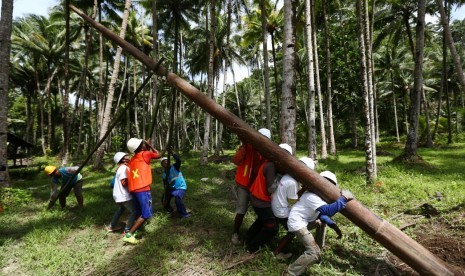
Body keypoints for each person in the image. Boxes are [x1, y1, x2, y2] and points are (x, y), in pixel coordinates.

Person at [286, 171, 354, 276]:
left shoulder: (316, 197)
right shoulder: (312, 197)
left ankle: (318, 246)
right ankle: (290, 273)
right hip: (297, 224)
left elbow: (323, 215)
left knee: (321, 221)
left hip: (303, 221)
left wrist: (334, 226)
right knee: (313, 252)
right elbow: (328, 211)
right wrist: (343, 198)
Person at [244, 142, 289, 253]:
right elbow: (271, 189)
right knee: (272, 228)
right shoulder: (271, 166)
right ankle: (252, 247)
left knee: (261, 221)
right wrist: (280, 175)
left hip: (256, 197)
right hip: (261, 201)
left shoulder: (268, 163)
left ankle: (247, 238)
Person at [271, 155, 315, 260]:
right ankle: (277, 253)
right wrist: (304, 191)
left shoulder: (288, 176)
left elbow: (292, 197)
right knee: (292, 230)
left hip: (275, 206)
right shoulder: (293, 182)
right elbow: (292, 202)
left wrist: (302, 190)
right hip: (281, 212)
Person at [231, 128, 270, 245]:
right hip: (244, 185)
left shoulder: (267, 153)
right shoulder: (248, 147)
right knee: (241, 209)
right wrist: (244, 147)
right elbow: (236, 160)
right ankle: (235, 233)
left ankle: (254, 234)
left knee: (261, 211)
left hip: (257, 187)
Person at [123, 138, 161, 245]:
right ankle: (129, 234)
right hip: (143, 188)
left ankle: (136, 231)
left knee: (139, 212)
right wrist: (150, 145)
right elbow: (158, 154)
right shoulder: (145, 154)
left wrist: (146, 146)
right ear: (141, 146)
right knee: (146, 214)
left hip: (134, 189)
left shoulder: (132, 159)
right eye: (142, 144)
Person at [107, 152, 139, 234]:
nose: (129, 157)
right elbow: (124, 182)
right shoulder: (123, 168)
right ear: (123, 159)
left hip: (118, 195)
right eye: (127, 156)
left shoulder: (121, 168)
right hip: (124, 195)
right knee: (135, 211)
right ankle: (127, 230)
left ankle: (111, 226)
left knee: (121, 209)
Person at [160, 149, 190, 218]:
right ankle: (169, 210)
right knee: (166, 199)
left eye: (166, 161)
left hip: (181, 187)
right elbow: (166, 185)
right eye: (163, 163)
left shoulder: (175, 167)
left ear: (169, 162)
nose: (165, 163)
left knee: (177, 198)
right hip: (172, 189)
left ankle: (184, 214)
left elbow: (178, 161)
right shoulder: (164, 175)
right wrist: (165, 196)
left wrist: (173, 153)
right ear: (162, 165)